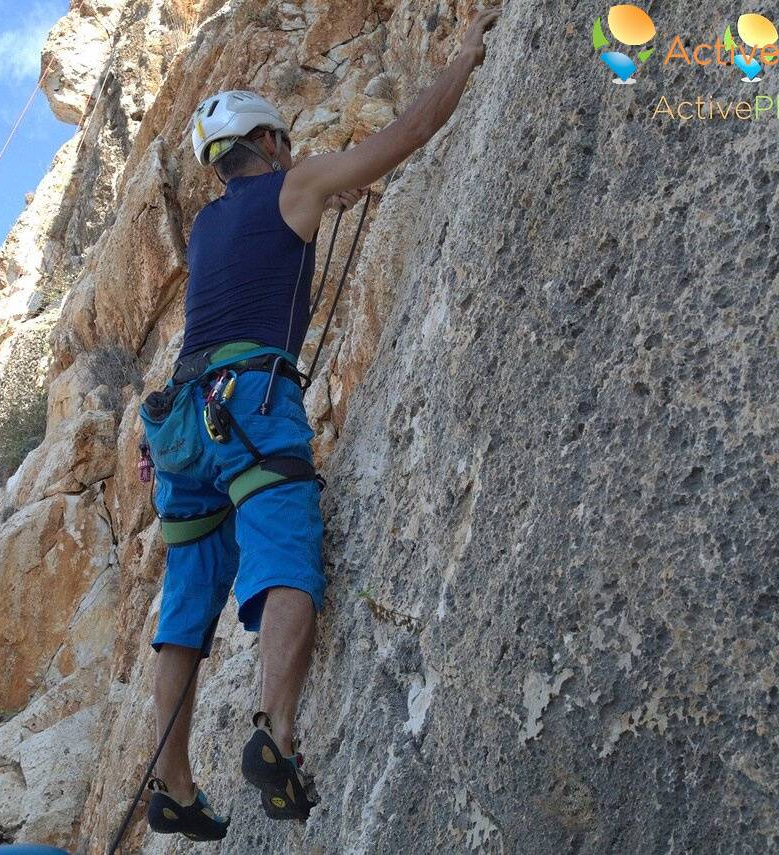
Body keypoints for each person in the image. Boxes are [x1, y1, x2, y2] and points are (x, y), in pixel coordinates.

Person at [141, 8, 500, 842]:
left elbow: (263, 261)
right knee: (286, 548)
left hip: (179, 421)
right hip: (251, 401)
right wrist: (464, 59)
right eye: (286, 148)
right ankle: (276, 732)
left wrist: (323, 208)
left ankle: (175, 782)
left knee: (187, 604)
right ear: (271, 144)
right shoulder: (295, 185)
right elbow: (410, 130)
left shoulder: (207, 225)